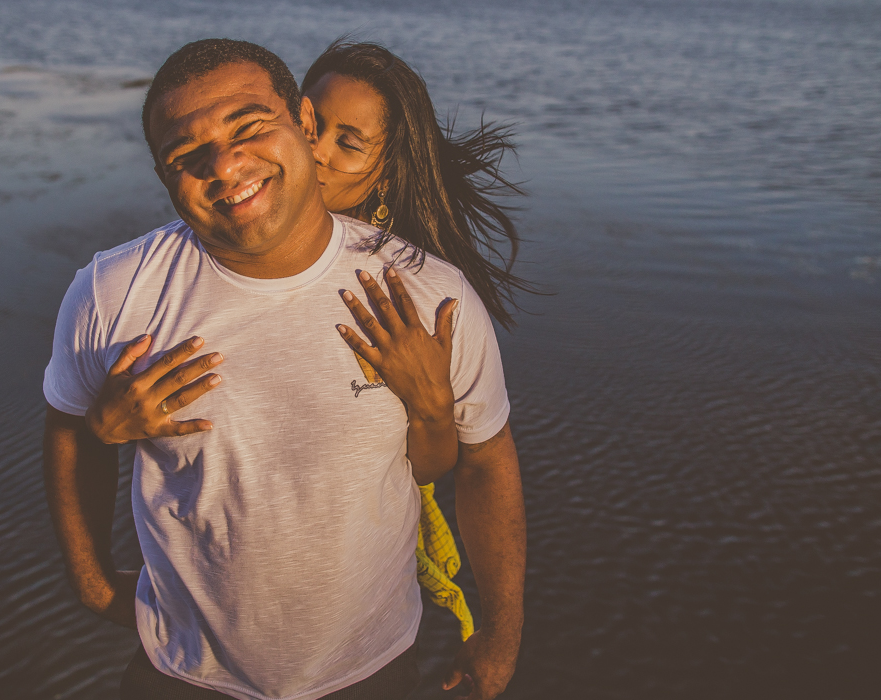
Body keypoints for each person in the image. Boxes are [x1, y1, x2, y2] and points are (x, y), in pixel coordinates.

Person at [42, 39, 525, 700]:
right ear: (163, 174)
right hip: (183, 674)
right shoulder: (114, 293)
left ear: (300, 119)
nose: (225, 163)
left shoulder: (427, 298)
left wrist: (501, 633)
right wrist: (92, 582)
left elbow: (484, 460)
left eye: (248, 127)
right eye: (187, 154)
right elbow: (68, 428)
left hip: (371, 671)